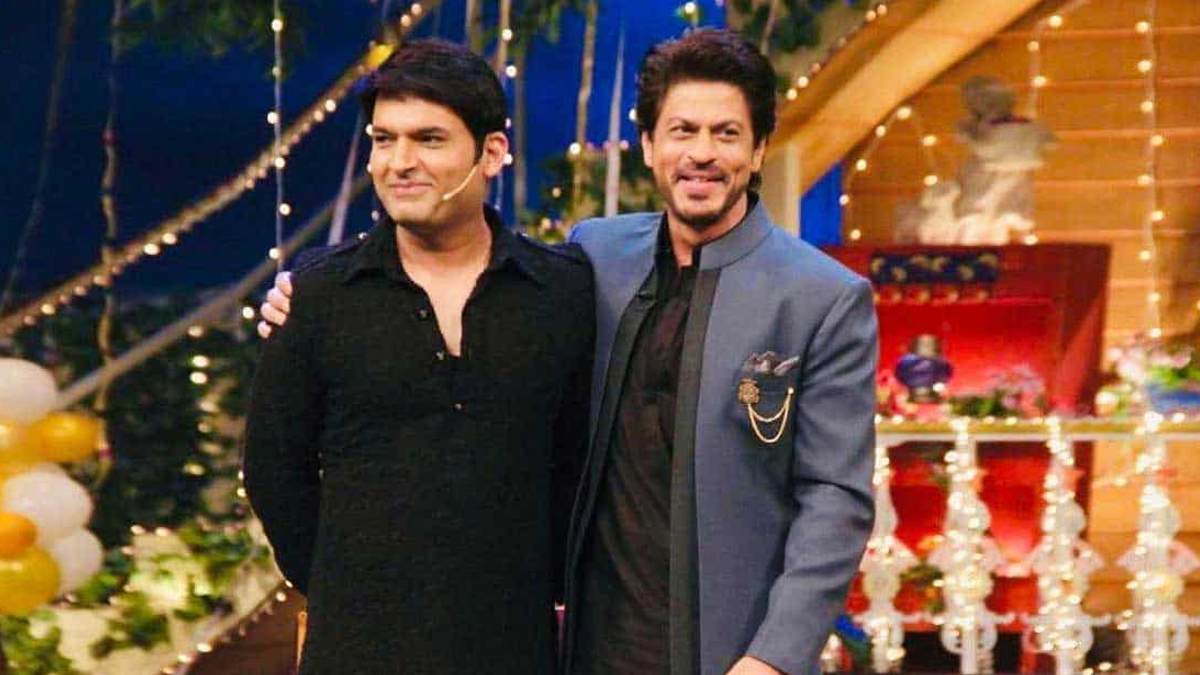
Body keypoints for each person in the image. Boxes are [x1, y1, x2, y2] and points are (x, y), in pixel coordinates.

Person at [262, 28, 877, 675]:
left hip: (732, 651)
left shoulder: (822, 297)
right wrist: (304, 295)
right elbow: (472, 273)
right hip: (591, 646)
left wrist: (773, 658)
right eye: (682, 131)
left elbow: (835, 498)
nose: (701, 153)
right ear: (649, 145)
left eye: (726, 134)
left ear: (757, 150)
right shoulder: (594, 257)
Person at [242, 38, 593, 675]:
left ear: (492, 153)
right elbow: (273, 468)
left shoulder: (562, 290)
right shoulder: (318, 294)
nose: (399, 163)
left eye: (428, 139)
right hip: (356, 649)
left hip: (514, 648)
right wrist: (346, 582)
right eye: (384, 140)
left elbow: (577, 464)